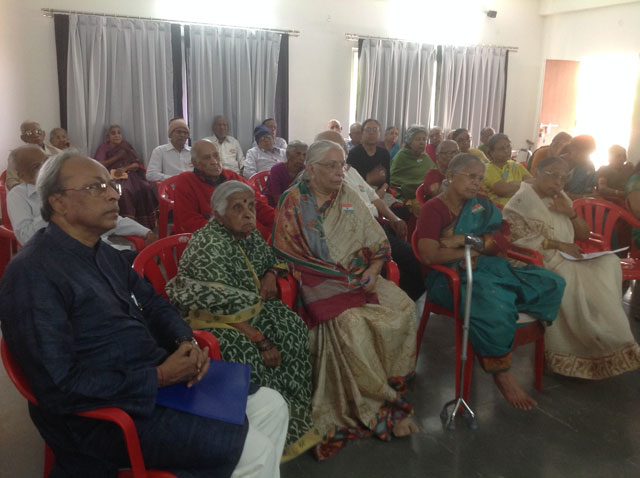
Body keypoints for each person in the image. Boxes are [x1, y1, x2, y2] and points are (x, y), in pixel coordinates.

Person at [0, 152, 289, 478]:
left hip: (151, 376)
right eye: (97, 187)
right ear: (58, 202)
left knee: (271, 404)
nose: (113, 194)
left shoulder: (102, 252)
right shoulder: (33, 274)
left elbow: (154, 304)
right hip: (102, 417)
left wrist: (185, 341)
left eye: (111, 185)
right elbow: (59, 386)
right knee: (254, 450)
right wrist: (160, 377)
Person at [273, 139, 418, 460]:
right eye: (332, 166)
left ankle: (387, 377)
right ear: (310, 170)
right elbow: (284, 250)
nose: (341, 172)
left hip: (361, 276)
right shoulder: (294, 200)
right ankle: (370, 399)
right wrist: (340, 277)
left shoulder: (348, 195)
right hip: (319, 282)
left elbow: (376, 239)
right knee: (351, 323)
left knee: (404, 306)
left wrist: (376, 266)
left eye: (343, 166)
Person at [166, 180, 317, 461]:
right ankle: (260, 430)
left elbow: (271, 257)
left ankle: (296, 417)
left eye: (251, 205)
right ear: (219, 214)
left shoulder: (247, 234)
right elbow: (212, 303)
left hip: (249, 308)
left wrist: (271, 273)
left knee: (293, 329)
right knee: (245, 351)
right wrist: (259, 339)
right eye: (238, 207)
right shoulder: (209, 242)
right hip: (210, 319)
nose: (249, 213)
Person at [416, 153, 565, 410]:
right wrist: (472, 251)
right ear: (451, 176)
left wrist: (467, 242)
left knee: (552, 282)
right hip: (447, 279)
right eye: (471, 177)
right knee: (493, 301)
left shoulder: (482, 204)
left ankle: (499, 320)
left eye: (480, 178)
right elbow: (430, 254)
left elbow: (501, 238)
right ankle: (501, 372)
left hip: (489, 269)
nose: (477, 183)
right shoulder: (434, 209)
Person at [503, 156, 640, 379]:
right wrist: (558, 244)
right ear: (536, 172)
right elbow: (515, 242)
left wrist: (571, 213)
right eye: (552, 175)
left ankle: (606, 341)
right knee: (573, 277)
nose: (558, 182)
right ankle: (582, 348)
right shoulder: (519, 204)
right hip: (535, 263)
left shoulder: (560, 197)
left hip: (566, 256)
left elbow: (584, 234)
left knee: (608, 263)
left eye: (563, 178)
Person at [317, 130, 425, 300]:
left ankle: (401, 299)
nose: (340, 156)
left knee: (418, 263)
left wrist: (394, 218)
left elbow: (374, 197)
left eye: (342, 149)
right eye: (333, 152)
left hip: (376, 229)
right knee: (377, 274)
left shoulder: (349, 171)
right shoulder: (319, 187)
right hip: (353, 238)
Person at [7, 145, 156, 247]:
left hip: (100, 250)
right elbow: (25, 237)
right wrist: (54, 209)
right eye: (36, 167)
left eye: (46, 161)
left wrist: (144, 231)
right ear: (23, 176)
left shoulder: (66, 185)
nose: (45, 168)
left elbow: (102, 216)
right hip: (58, 259)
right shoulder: (18, 196)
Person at [172, 139, 274, 239]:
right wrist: (233, 229)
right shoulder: (186, 181)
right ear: (195, 163)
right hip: (213, 239)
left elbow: (259, 205)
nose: (214, 162)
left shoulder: (232, 176)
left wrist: (279, 220)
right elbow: (189, 222)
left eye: (216, 155)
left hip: (250, 233)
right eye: (207, 158)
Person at [94, 125, 157, 229]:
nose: (117, 135)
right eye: (113, 133)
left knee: (145, 187)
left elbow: (136, 164)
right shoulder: (103, 147)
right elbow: (99, 164)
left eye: (119, 133)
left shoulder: (126, 146)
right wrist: (117, 157)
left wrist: (125, 168)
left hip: (130, 175)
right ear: (107, 137)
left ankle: (145, 224)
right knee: (123, 191)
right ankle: (127, 224)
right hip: (112, 177)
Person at [5, 120, 61, 190]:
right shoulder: (16, 156)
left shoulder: (58, 153)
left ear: (43, 134)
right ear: (23, 138)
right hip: (27, 194)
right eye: (29, 133)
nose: (35, 135)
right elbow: (11, 181)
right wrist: (23, 192)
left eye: (38, 131)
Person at [482, 133, 533, 207]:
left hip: (522, 208)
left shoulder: (516, 165)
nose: (506, 151)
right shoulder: (488, 169)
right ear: (491, 153)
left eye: (508, 146)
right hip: (500, 210)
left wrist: (513, 184)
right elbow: (504, 191)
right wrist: (524, 184)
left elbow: (533, 184)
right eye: (501, 149)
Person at [390, 125, 435, 203]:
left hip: (426, 194)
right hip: (403, 196)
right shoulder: (401, 156)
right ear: (409, 142)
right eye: (418, 139)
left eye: (424, 139)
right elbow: (394, 180)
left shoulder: (425, 156)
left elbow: (433, 174)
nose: (422, 142)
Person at [347, 119, 391, 195]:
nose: (371, 133)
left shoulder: (384, 153)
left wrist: (382, 190)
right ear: (362, 134)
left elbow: (387, 179)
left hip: (381, 192)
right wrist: (369, 179)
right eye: (368, 130)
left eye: (375, 130)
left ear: (379, 134)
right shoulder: (354, 154)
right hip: (360, 193)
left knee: (399, 207)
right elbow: (351, 180)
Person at [262, 140, 307, 207]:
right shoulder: (277, 170)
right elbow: (278, 198)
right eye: (298, 154)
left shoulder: (304, 170)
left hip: (295, 205)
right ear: (288, 155)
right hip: (272, 205)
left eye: (304, 155)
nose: (302, 158)